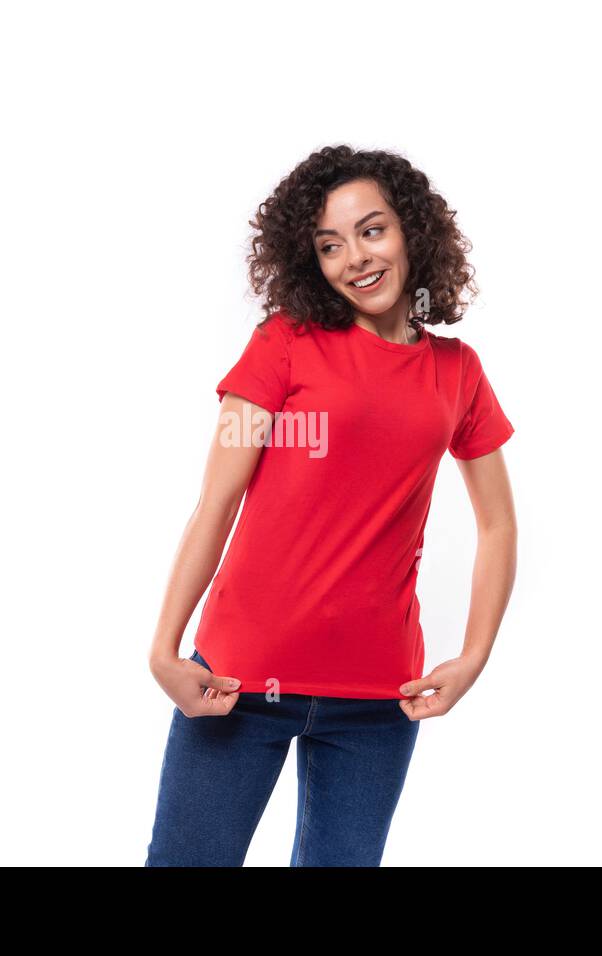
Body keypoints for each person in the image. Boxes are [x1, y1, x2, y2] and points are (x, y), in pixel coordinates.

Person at [145, 145, 518, 866]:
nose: (355, 257)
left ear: (412, 231)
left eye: (372, 230)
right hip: (237, 682)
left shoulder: (458, 372)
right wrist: (165, 649)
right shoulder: (280, 345)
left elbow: (498, 524)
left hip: (381, 698)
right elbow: (214, 503)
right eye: (329, 245)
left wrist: (474, 655)